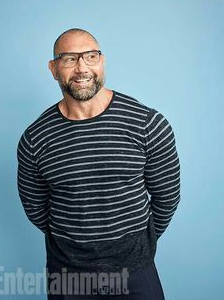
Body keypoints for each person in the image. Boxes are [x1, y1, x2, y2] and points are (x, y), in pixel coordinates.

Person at [17, 28, 180, 300]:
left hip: (136, 272)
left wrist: (138, 246)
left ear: (101, 62)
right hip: (67, 276)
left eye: (90, 56)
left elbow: (167, 198)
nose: (82, 68)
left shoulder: (147, 124)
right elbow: (35, 208)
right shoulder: (35, 138)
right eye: (69, 58)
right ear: (54, 68)